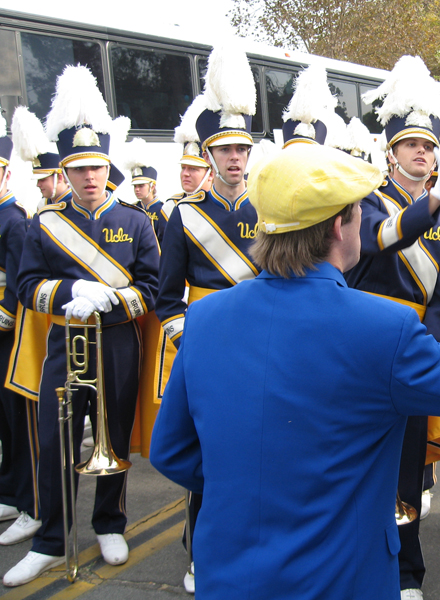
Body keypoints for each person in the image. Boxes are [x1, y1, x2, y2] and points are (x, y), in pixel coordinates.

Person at [149, 142, 440, 600]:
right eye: (358, 211)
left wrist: (258, 487)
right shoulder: (386, 328)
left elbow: (170, 451)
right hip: (343, 578)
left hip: (228, 576)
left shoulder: (204, 319)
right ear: (340, 228)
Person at [3, 65, 160, 587]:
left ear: (105, 167)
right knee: (56, 441)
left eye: (96, 167)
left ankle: (109, 521)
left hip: (116, 344)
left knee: (111, 435)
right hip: (61, 346)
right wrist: (70, 294)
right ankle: (50, 538)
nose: (89, 177)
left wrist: (110, 302)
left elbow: (152, 289)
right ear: (65, 172)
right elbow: (26, 287)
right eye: (79, 169)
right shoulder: (45, 222)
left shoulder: (136, 221)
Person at [347, 55, 440, 600]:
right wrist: (434, 203)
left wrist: (430, 349)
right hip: (362, 350)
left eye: (429, 146)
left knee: (407, 469)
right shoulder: (365, 201)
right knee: (353, 460)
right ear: (390, 151)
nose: (423, 153)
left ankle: (406, 572)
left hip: (412, 353)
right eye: (412, 145)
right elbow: (379, 240)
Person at [155, 41, 258, 594]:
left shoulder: (271, 209)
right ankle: (200, 549)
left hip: (264, 348)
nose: (235, 158)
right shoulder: (184, 215)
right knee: (206, 454)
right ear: (210, 155)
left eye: (242, 148)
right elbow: (168, 297)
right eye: (225, 150)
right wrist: (186, 342)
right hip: (210, 349)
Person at [0, 110, 37, 547]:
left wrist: (6, 313)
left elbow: (15, 281)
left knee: (16, 419)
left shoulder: (13, 220)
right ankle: (10, 490)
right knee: (4, 422)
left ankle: (25, 497)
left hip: (10, 334)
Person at [124, 138, 167, 242]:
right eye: (135, 186)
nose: (137, 190)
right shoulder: (132, 208)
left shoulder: (163, 209)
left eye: (141, 186)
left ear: (152, 186)